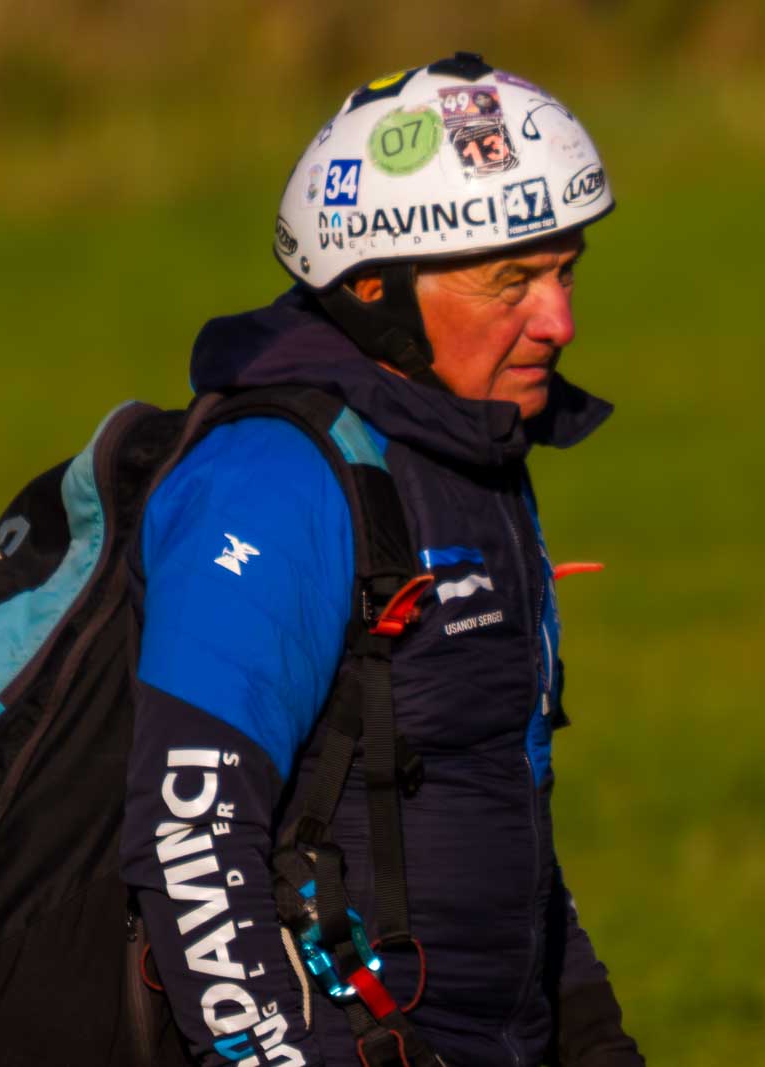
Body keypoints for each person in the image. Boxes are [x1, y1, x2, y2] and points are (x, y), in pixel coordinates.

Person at [121, 53, 642, 1066]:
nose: (560, 322)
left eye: (565, 270)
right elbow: (190, 844)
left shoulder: (475, 461)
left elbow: (495, 788)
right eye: (513, 281)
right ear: (374, 291)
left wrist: (588, 1030)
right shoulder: (274, 481)